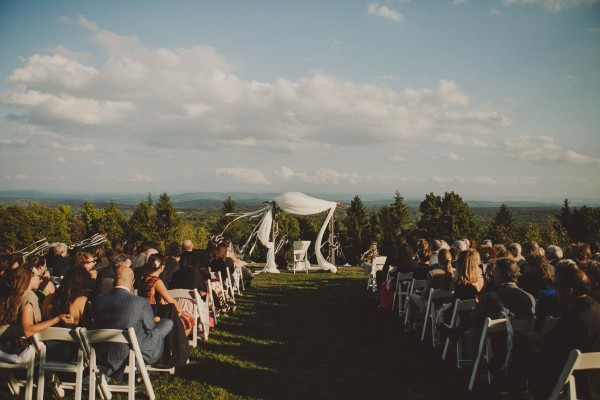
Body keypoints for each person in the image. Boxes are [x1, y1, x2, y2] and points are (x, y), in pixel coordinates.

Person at [90, 266, 173, 377]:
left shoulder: (97, 300)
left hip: (103, 350)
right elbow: (150, 327)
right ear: (132, 282)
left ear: (114, 281)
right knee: (167, 323)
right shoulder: (141, 302)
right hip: (130, 350)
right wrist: (155, 320)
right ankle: (163, 359)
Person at [0, 263, 73, 363]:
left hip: (5, 347)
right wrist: (57, 319)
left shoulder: (8, 296)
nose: (41, 280)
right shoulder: (28, 298)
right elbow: (28, 330)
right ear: (31, 277)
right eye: (39, 277)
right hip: (21, 351)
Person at [138, 254, 195, 336]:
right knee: (189, 318)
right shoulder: (156, 281)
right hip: (153, 312)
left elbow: (160, 300)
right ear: (162, 267)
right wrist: (181, 310)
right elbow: (170, 300)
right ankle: (179, 343)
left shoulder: (144, 278)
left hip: (145, 310)